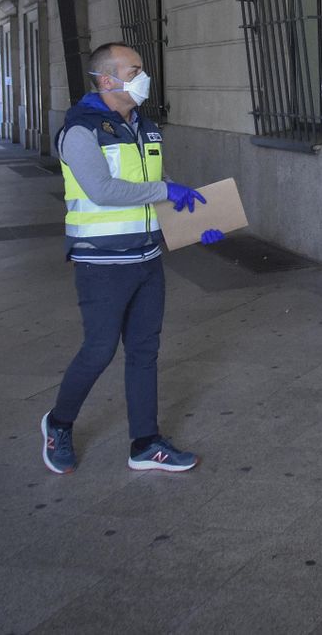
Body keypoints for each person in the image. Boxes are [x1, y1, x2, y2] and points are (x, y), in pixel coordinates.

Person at [40, 42, 223, 475]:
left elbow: (156, 187)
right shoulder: (80, 132)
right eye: (135, 70)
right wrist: (165, 191)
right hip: (101, 263)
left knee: (144, 352)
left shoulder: (145, 127)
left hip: (146, 259)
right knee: (99, 350)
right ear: (107, 80)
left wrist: (199, 222)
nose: (144, 76)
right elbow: (103, 191)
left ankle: (145, 443)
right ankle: (59, 423)